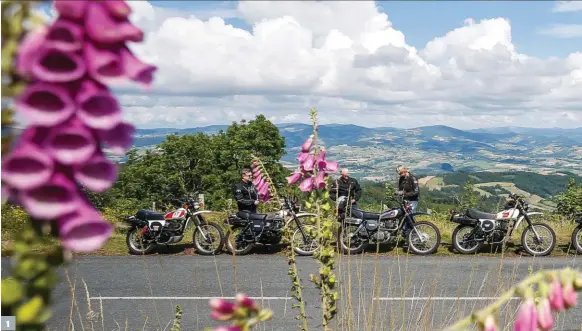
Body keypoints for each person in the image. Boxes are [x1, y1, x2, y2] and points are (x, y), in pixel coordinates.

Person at [395, 165, 420, 237]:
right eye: (399, 173)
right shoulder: (401, 178)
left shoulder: (412, 178)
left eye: (400, 173)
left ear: (404, 170)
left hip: (412, 201)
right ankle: (406, 235)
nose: (400, 175)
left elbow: (416, 192)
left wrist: (404, 193)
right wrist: (398, 193)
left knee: (410, 218)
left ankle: (414, 234)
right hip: (404, 201)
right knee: (404, 218)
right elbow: (400, 188)